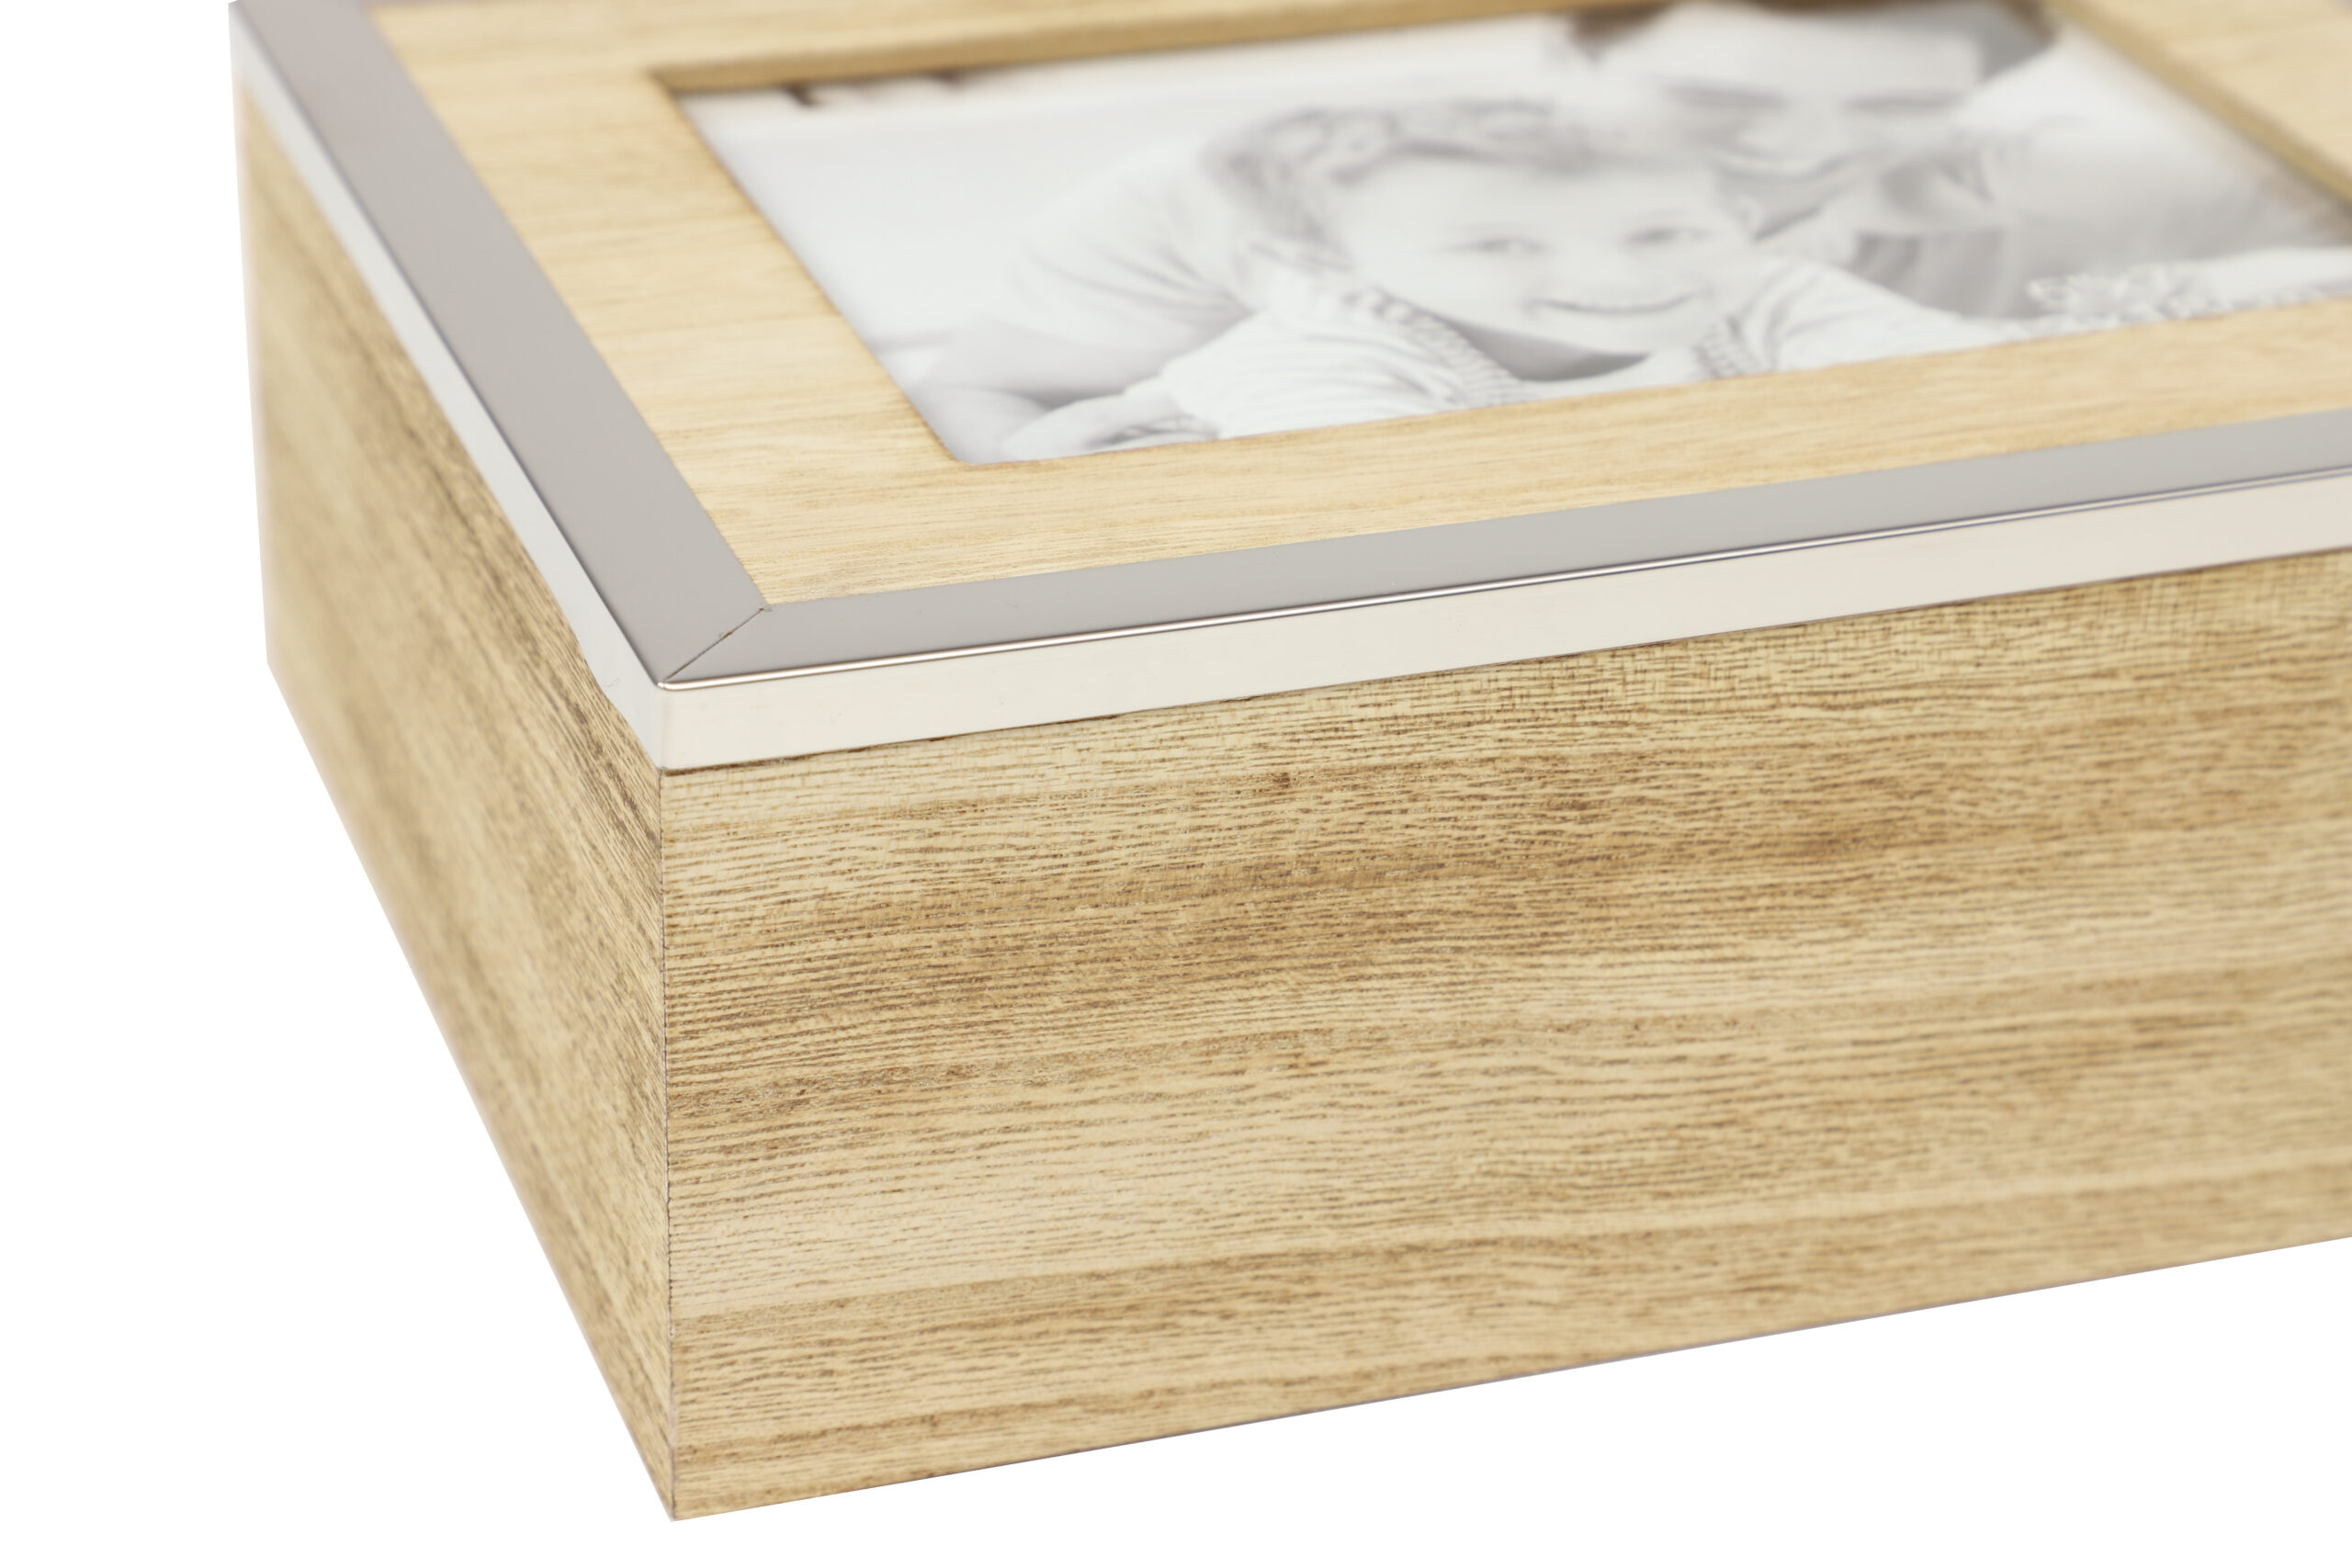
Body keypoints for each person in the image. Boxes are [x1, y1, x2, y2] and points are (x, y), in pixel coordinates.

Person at [910, 0, 2350, 461]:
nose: (1798, 151)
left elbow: (1983, 366)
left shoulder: (2106, 176)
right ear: (1566, 55)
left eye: (1892, 108)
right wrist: (1042, 481)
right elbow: (991, 405)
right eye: (1716, 102)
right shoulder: (1284, 262)